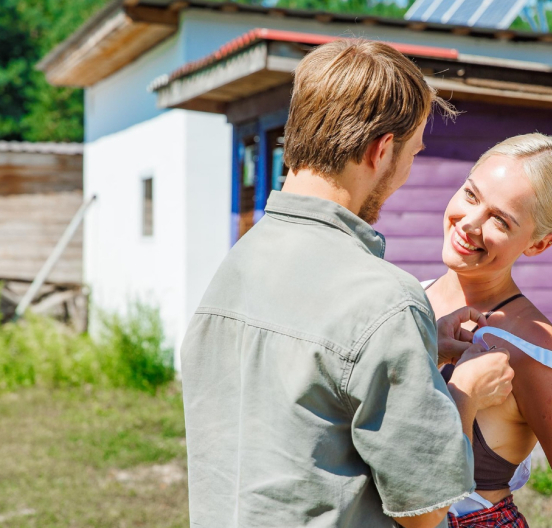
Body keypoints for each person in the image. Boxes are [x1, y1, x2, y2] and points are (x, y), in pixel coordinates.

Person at [180, 39, 514, 528]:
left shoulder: (236, 266)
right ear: (381, 151)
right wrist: (462, 393)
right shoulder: (386, 300)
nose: (407, 170)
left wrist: (417, 351)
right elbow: (423, 512)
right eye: (413, 154)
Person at [423, 133, 552, 528]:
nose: (470, 223)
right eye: (471, 195)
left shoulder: (532, 345)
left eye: (500, 220)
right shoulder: (409, 298)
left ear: (538, 245)